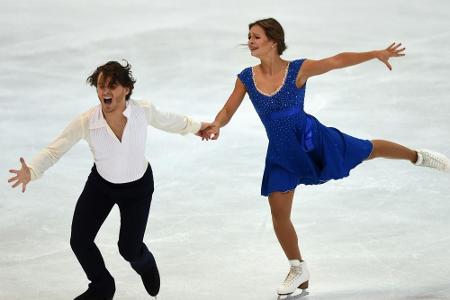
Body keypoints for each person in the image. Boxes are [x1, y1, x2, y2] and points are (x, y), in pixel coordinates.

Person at [199, 18, 450, 297]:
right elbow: (227, 110)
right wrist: (217, 124)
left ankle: (419, 157)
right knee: (279, 214)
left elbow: (336, 60)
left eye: (256, 36)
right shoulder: (246, 77)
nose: (250, 41)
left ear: (273, 41)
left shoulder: (297, 69)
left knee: (368, 149)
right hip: (282, 153)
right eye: (249, 36)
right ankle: (298, 269)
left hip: (312, 140)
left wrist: (375, 53)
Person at [8, 60, 209, 300]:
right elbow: (55, 150)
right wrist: (31, 170)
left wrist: (198, 127)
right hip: (101, 187)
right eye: (101, 86)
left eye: (112, 86)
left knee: (129, 249)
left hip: (138, 188)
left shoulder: (142, 111)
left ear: (126, 89)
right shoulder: (87, 121)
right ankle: (102, 285)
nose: (105, 91)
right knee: (80, 241)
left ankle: (144, 262)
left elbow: (170, 121)